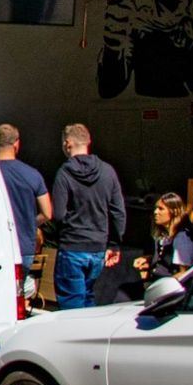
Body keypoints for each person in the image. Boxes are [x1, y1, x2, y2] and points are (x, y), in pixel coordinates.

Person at [49, 123, 126, 311]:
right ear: (88, 141)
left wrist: (69, 229)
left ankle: (72, 338)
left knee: (71, 304)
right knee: (89, 298)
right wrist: (114, 244)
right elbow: (118, 211)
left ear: (67, 144)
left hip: (72, 246)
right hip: (98, 247)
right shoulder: (108, 171)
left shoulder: (64, 173)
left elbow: (58, 214)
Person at [0, 124, 51, 305]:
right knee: (17, 297)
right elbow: (47, 213)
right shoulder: (32, 175)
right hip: (23, 246)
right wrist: (28, 223)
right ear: (17, 144)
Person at [133, 192, 193, 289]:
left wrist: (159, 287)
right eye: (156, 208)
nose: (155, 212)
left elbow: (184, 273)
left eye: (161, 209)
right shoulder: (164, 235)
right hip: (156, 281)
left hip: (169, 289)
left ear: (174, 211)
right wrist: (148, 259)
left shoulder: (182, 238)